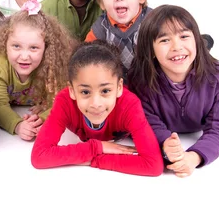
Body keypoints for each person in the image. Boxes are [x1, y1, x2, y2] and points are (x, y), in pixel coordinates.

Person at [31, 41, 163, 176]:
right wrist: (97, 147)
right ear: (72, 90)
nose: (96, 103)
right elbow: (39, 156)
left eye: (105, 91)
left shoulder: (129, 105)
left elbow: (153, 165)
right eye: (85, 92)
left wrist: (93, 159)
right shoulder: (64, 101)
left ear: (119, 88)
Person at [127, 5, 219, 177]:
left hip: (202, 70)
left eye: (184, 36)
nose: (176, 46)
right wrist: (165, 142)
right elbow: (147, 122)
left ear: (195, 40)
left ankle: (205, 45)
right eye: (164, 40)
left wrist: (194, 156)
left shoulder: (218, 76)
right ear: (151, 50)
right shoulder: (140, 81)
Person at [0, 0, 76, 141]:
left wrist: (43, 118)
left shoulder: (53, 64)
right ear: (5, 44)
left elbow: (63, 100)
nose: (24, 56)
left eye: (33, 48)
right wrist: (18, 125)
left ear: (45, 49)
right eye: (16, 46)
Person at [85, 0, 153, 76]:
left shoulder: (153, 20)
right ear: (102, 3)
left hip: (150, 81)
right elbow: (85, 55)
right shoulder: (101, 27)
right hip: (116, 84)